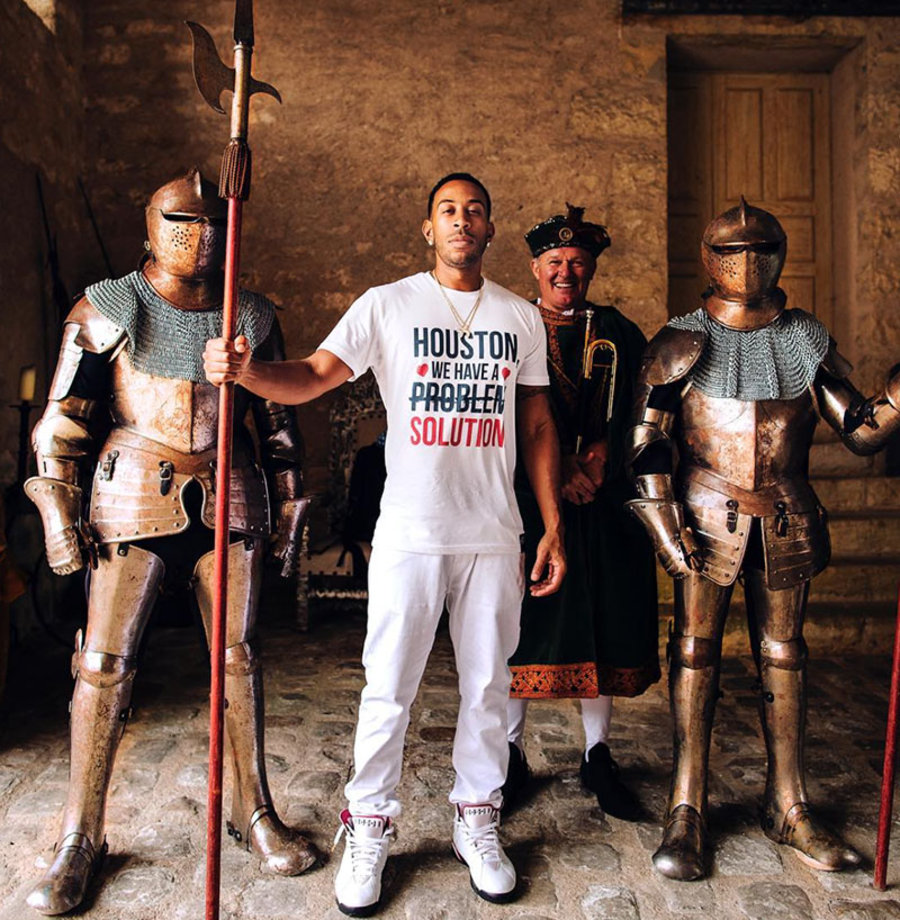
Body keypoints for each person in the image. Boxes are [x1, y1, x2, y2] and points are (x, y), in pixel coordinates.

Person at [204, 172, 566, 915]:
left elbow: (535, 425)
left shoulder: (519, 317)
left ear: (490, 228)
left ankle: (478, 818)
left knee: (488, 688)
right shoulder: (387, 304)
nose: (461, 220)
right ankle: (368, 822)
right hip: (409, 531)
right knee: (389, 688)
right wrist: (247, 372)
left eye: (474, 211)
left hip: (494, 533)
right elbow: (314, 375)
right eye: (448, 211)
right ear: (428, 229)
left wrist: (552, 522)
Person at [25, 168, 316, 915]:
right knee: (102, 665)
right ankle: (80, 834)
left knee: (239, 660)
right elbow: (62, 422)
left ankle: (253, 809)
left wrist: (290, 508)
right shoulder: (108, 306)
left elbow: (278, 427)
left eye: (212, 224)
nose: (200, 237)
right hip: (130, 493)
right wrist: (59, 511)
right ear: (151, 225)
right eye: (183, 222)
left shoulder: (250, 313)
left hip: (232, 490)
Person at [627, 198, 900, 880]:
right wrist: (666, 529)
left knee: (784, 654)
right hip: (704, 513)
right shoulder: (680, 339)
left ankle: (789, 803)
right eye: (732, 252)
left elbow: (860, 431)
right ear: (709, 258)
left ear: (779, 255)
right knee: (695, 652)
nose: (747, 264)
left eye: (760, 250)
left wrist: (898, 399)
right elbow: (647, 444)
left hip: (785, 512)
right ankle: (686, 805)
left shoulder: (805, 337)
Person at [503, 206, 659, 820]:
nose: (565, 272)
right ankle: (511, 755)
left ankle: (598, 754)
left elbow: (646, 410)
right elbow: (499, 411)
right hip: (527, 500)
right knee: (521, 627)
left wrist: (602, 458)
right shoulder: (512, 325)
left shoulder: (619, 330)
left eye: (577, 263)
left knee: (604, 623)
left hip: (604, 500)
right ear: (535, 268)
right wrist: (556, 470)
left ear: (590, 270)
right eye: (554, 262)